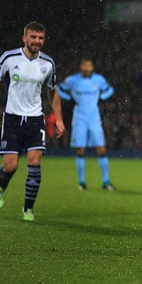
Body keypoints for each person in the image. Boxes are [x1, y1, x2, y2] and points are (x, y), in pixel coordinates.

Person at [0, 21, 65, 221]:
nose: (36, 41)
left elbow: (53, 91)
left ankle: (28, 209)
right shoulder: (9, 57)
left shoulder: (48, 64)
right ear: (24, 38)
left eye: (40, 38)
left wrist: (58, 119)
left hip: (35, 119)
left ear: (44, 40)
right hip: (12, 118)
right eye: (33, 37)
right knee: (11, 166)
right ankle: (1, 187)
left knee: (35, 162)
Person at [58, 58, 115, 190]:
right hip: (79, 118)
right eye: (84, 66)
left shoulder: (98, 79)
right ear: (80, 67)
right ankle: (82, 182)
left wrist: (102, 97)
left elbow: (110, 90)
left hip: (94, 118)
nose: (87, 68)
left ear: (92, 67)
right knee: (80, 149)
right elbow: (58, 89)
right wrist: (68, 98)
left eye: (89, 66)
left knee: (101, 148)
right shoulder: (72, 80)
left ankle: (106, 181)